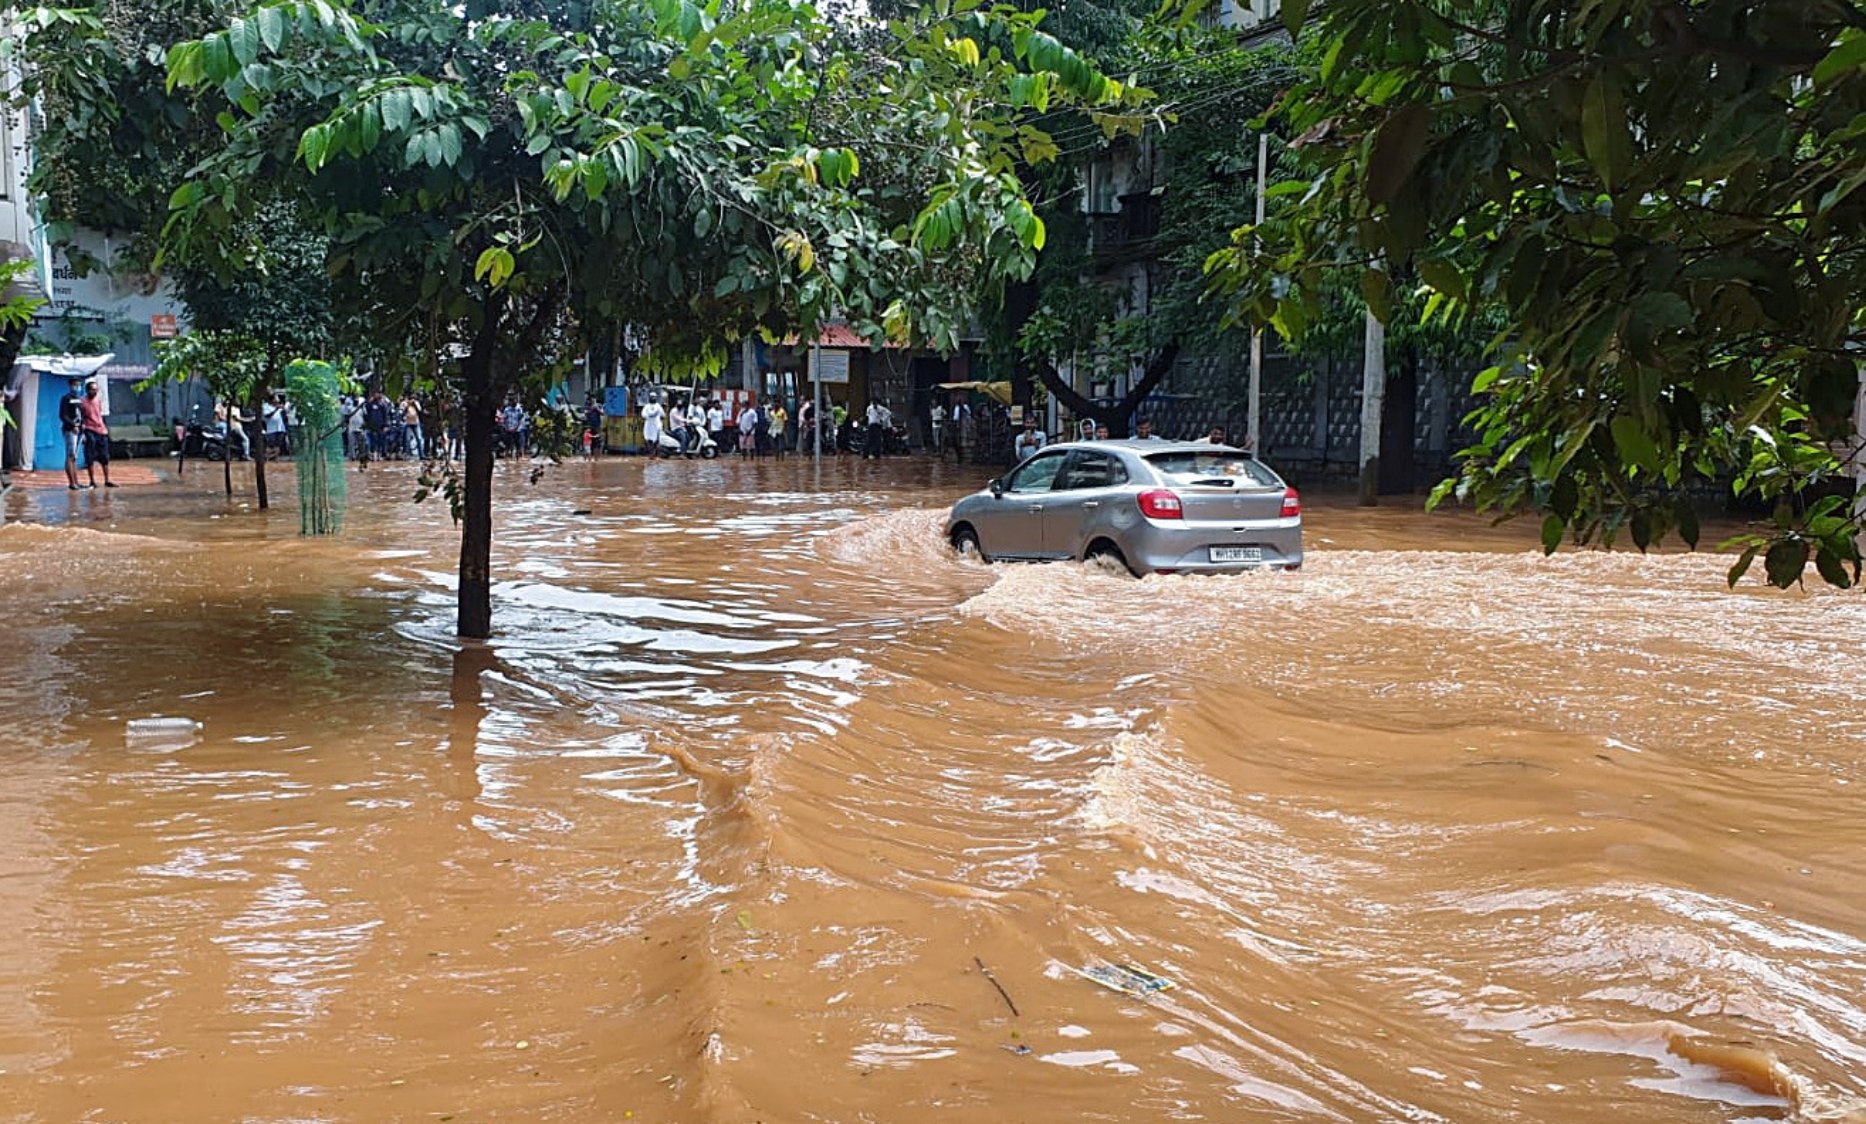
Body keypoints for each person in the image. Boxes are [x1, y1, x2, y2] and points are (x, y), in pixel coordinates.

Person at [76, 379, 115, 489]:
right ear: (88, 391)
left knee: (105, 457)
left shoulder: (97, 400)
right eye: (93, 390)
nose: (95, 392)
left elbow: (99, 414)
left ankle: (107, 480)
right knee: (90, 456)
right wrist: (82, 431)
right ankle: (92, 481)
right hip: (89, 430)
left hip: (101, 430)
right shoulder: (82, 402)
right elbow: (80, 417)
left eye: (96, 390)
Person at [58, 378, 85, 489]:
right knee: (70, 455)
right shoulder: (66, 398)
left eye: (79, 385)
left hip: (79, 430)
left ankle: (76, 482)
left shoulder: (79, 399)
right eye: (75, 385)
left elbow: (81, 415)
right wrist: (72, 425)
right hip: (70, 430)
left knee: (74, 457)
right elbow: (63, 415)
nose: (77, 387)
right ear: (70, 385)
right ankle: (71, 483)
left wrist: (82, 427)